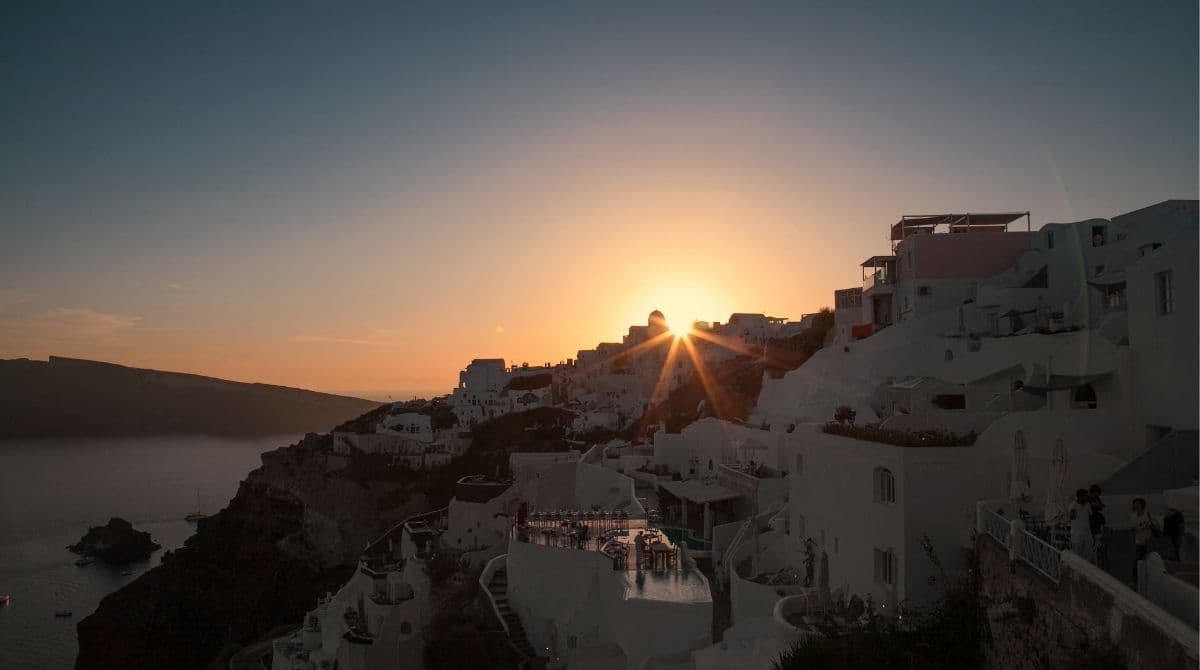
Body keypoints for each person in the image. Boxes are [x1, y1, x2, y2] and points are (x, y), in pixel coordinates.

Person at [1131, 498, 1158, 584]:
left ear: (1142, 505)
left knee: (1151, 562)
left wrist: (1149, 527)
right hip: (1139, 541)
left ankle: (1151, 581)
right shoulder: (1133, 516)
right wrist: (1134, 530)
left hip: (1149, 541)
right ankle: (1136, 582)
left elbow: (1155, 527)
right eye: (1134, 504)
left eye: (1137, 504)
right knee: (1136, 563)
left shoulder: (1148, 515)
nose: (1135, 506)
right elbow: (1133, 529)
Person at [1068, 488, 1094, 561]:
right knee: (1077, 553)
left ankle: (1086, 567)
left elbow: (1090, 517)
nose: (1088, 497)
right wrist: (1072, 514)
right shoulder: (1073, 506)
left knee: (1088, 551)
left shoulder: (1087, 505)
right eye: (1086, 496)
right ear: (1080, 497)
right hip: (1077, 533)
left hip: (1087, 532)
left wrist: (1091, 529)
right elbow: (1072, 518)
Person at [1089, 485, 1108, 569]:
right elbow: (1089, 507)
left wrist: (1099, 505)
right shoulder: (1088, 498)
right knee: (1093, 535)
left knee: (1097, 534)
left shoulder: (1097, 498)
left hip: (1096, 519)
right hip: (1091, 520)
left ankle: (1097, 546)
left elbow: (1099, 507)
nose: (1097, 495)